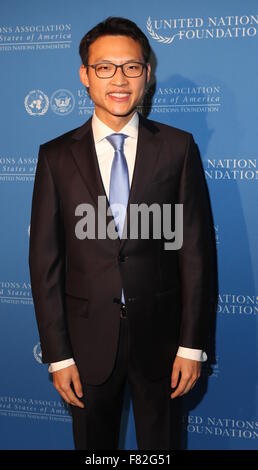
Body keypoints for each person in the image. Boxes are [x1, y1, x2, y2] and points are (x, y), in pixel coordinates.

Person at [29, 16, 216, 450]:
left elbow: (192, 251)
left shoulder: (177, 148)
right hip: (85, 341)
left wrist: (191, 346)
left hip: (163, 341)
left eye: (131, 67)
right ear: (85, 76)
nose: (119, 79)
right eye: (105, 67)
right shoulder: (55, 157)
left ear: (147, 75)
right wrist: (58, 353)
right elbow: (45, 262)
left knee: (161, 449)